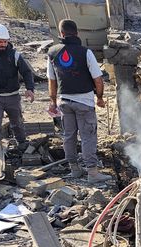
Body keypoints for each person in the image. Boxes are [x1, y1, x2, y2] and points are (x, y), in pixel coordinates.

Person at [47, 19, 110, 183]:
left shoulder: (52, 52)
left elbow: (51, 81)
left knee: (69, 135)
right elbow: (98, 79)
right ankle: (92, 173)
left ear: (61, 34)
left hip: (64, 102)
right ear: (77, 33)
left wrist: (53, 102)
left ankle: (75, 169)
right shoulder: (85, 52)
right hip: (84, 103)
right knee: (88, 136)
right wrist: (100, 98)